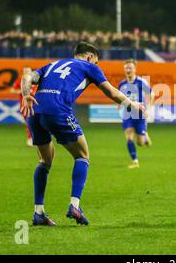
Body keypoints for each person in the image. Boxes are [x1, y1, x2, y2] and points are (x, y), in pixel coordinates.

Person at [20, 42, 145, 226]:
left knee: (45, 161)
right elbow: (110, 91)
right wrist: (133, 105)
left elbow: (27, 78)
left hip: (34, 112)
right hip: (57, 111)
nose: (97, 65)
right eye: (96, 61)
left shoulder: (53, 64)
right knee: (82, 155)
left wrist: (25, 94)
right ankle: (75, 206)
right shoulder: (89, 67)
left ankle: (39, 212)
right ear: (89, 57)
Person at [118, 59, 154, 169]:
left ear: (135, 69)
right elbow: (119, 96)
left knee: (140, 142)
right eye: (126, 68)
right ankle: (135, 161)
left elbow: (151, 94)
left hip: (140, 114)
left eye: (130, 68)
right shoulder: (122, 84)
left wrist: (148, 108)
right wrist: (119, 104)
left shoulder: (141, 82)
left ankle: (145, 138)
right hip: (127, 114)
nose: (128, 70)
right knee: (129, 136)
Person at [11, 67, 38, 147]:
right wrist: (23, 91)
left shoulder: (35, 81)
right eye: (25, 71)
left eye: (28, 71)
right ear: (23, 72)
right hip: (25, 106)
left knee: (37, 123)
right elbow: (12, 90)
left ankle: (36, 139)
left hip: (36, 105)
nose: (27, 72)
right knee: (29, 122)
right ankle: (30, 139)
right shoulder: (20, 81)